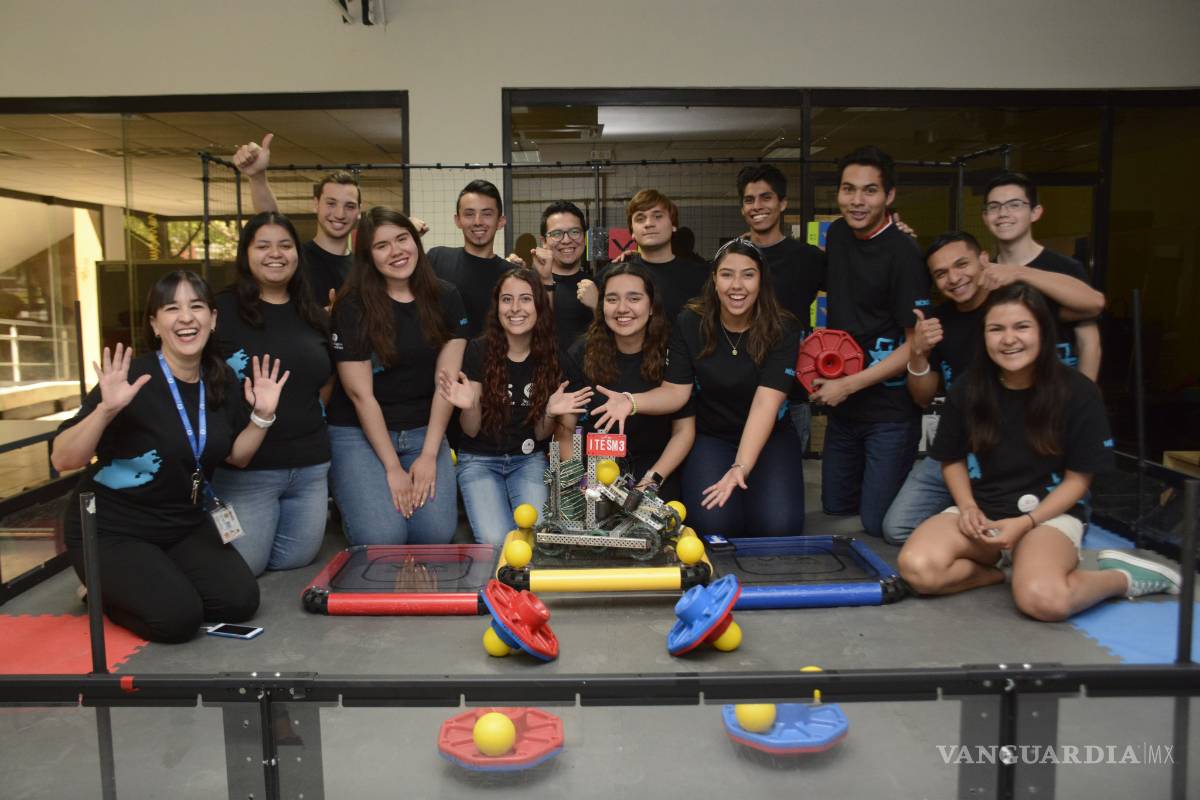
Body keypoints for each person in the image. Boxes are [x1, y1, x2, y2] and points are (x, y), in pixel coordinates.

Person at [898, 282, 1180, 620]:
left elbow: (1078, 481)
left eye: (1022, 327)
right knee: (918, 570)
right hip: (983, 513)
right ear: (984, 337)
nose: (1009, 339)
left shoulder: (1078, 392)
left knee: (1044, 601)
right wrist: (968, 506)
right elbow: (952, 459)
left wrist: (1026, 523)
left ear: (1043, 333)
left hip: (1047, 516)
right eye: (996, 329)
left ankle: (1121, 578)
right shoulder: (968, 387)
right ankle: (1003, 574)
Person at [50, 271, 289, 643]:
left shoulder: (220, 380)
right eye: (171, 308)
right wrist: (106, 411)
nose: (186, 317)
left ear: (213, 318)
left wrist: (263, 416)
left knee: (239, 601)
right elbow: (63, 459)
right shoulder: (131, 379)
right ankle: (102, 590)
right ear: (155, 324)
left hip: (182, 522)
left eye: (196, 306)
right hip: (114, 528)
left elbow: (238, 458)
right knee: (178, 620)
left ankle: (146, 579)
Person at [880, 231, 1107, 544]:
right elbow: (922, 397)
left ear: (984, 260)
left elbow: (1094, 303)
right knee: (898, 527)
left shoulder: (1018, 302)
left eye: (962, 265)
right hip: (968, 439)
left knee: (1044, 527)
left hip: (1029, 437)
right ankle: (981, 529)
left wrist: (1016, 272)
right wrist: (918, 352)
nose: (954, 278)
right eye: (941, 273)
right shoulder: (940, 324)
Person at [593, 240, 803, 537]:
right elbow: (676, 392)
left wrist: (740, 468)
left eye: (748, 274)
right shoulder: (691, 321)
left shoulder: (782, 328)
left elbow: (765, 405)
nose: (737, 285)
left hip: (770, 436)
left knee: (778, 527)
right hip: (713, 436)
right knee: (713, 524)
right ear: (714, 278)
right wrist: (631, 401)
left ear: (761, 280)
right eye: (727, 274)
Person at [327, 207, 468, 544]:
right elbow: (361, 396)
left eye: (402, 239)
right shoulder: (352, 305)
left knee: (434, 535)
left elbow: (445, 385)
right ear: (368, 256)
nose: (397, 251)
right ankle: (352, 499)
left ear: (415, 241)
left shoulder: (447, 297)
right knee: (382, 537)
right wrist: (392, 468)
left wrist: (430, 455)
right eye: (382, 246)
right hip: (358, 433)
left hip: (423, 429)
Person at [813, 146, 931, 540]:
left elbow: (914, 346)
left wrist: (848, 385)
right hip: (845, 415)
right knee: (835, 506)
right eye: (849, 190)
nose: (857, 201)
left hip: (888, 414)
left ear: (889, 196)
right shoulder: (841, 235)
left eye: (869, 191)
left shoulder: (905, 253)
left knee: (879, 523)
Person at [210, 212, 334, 575]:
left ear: (297, 253)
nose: (275, 254)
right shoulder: (221, 311)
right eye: (263, 246)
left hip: (309, 468)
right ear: (246, 254)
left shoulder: (314, 313)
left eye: (285, 245)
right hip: (248, 471)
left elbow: (327, 377)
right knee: (245, 566)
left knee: (294, 559)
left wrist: (307, 415)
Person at [437, 268, 593, 545]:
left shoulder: (553, 357)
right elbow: (470, 431)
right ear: (497, 306)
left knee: (536, 536)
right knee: (498, 540)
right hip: (478, 460)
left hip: (527, 460)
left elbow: (542, 435)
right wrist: (469, 405)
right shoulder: (478, 350)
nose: (515, 308)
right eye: (507, 299)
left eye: (525, 299)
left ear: (539, 306)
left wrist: (549, 412)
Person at [560, 261, 697, 501]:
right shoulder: (582, 352)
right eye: (612, 299)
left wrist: (649, 482)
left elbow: (684, 431)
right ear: (602, 306)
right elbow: (564, 431)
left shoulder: (673, 351)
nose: (622, 308)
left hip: (655, 469)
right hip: (594, 473)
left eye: (634, 299)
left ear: (652, 306)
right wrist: (583, 481)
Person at [737, 163, 826, 454]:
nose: (757, 206)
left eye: (766, 197)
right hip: (737, 391)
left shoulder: (807, 258)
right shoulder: (733, 258)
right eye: (749, 200)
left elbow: (854, 291)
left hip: (792, 394)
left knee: (782, 484)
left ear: (782, 203)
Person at [982, 172, 1103, 380]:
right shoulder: (987, 275)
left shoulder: (1066, 267)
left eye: (1014, 205)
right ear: (985, 217)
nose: (1003, 213)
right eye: (994, 207)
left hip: (1059, 387)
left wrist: (1088, 397)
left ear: (1035, 212)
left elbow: (1088, 341)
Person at [233, 135, 361, 309]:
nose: (340, 214)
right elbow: (270, 220)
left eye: (350, 206)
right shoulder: (296, 258)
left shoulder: (363, 268)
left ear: (359, 212)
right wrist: (257, 177)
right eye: (331, 203)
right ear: (316, 205)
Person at [577, 189, 709, 323]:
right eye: (640, 218)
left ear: (673, 225)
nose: (649, 224)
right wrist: (596, 307)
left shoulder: (700, 276)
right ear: (632, 232)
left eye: (658, 216)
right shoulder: (615, 272)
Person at [428, 179, 524, 337]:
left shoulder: (512, 274)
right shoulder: (437, 259)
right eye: (469, 214)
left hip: (493, 360)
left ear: (500, 221)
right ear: (458, 220)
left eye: (487, 214)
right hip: (440, 360)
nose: (478, 222)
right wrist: (408, 239)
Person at [527, 200, 595, 357]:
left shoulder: (597, 285)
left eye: (575, 232)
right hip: (540, 376)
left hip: (586, 378)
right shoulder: (527, 285)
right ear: (544, 241)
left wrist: (596, 306)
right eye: (557, 234)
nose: (566, 240)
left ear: (584, 238)